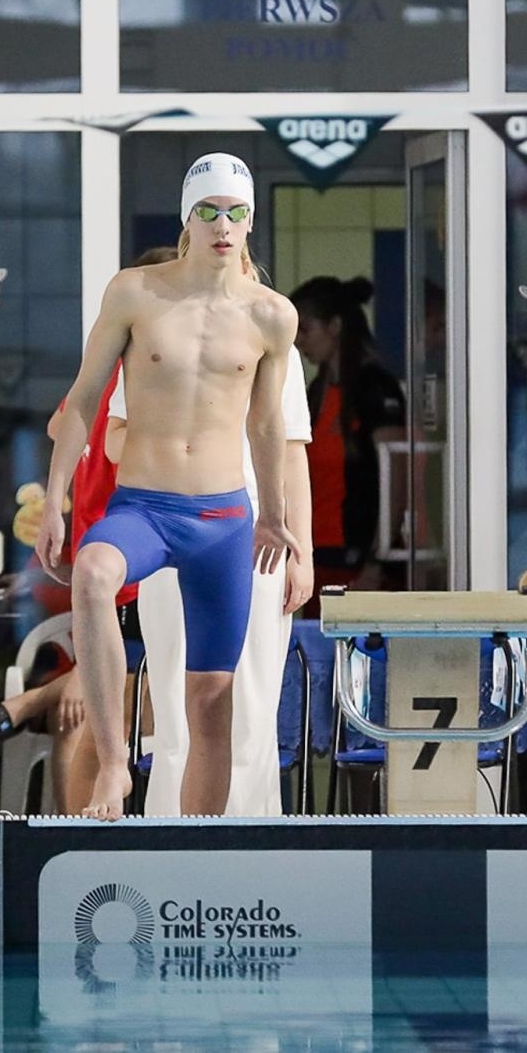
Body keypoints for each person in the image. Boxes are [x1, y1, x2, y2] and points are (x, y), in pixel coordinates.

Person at [37, 153, 298, 821]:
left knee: (211, 703)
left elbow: (270, 426)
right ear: (187, 218)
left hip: (224, 520)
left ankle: (195, 855)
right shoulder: (135, 293)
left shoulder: (272, 315)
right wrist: (55, 500)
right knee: (93, 574)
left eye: (236, 213)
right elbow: (84, 399)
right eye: (208, 211)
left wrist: (274, 515)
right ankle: (115, 768)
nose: (222, 225)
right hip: (146, 508)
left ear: (250, 223)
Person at [0, 246, 178, 814]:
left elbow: (71, 428)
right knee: (81, 707)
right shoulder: (113, 382)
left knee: (78, 704)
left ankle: (42, 699)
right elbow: (70, 428)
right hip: (112, 588)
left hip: (142, 592)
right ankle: (73, 840)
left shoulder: (141, 388)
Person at [111, 339, 315, 817]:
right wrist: (170, 427)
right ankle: (172, 846)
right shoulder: (152, 336)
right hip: (170, 526)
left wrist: (300, 550)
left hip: (252, 537)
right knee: (175, 705)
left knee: (253, 705)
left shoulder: (272, 337)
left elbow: (291, 453)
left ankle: (254, 853)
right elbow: (113, 439)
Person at [292, 276, 405, 597]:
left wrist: (376, 561)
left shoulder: (373, 387)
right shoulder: (318, 389)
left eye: (305, 329)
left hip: (359, 558)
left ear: (335, 326)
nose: (298, 341)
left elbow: (395, 477)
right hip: (317, 553)